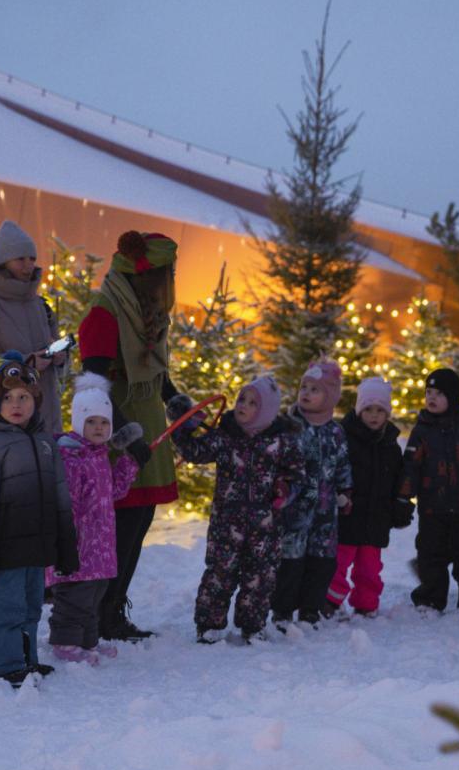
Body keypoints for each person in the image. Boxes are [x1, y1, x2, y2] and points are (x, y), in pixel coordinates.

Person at [77, 230, 179, 641]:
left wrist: (177, 399)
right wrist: (125, 435)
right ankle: (100, 612)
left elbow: (157, 371)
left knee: (138, 525)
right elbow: (92, 385)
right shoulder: (106, 314)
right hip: (119, 437)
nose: (171, 279)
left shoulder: (146, 311)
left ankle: (114, 608)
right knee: (118, 530)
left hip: (148, 425)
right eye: (167, 272)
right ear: (148, 272)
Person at [0, 351, 78, 686]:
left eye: (24, 397)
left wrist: (65, 548)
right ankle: (4, 664)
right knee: (7, 609)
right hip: (5, 549)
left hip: (37, 546)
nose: (17, 404)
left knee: (30, 607)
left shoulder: (45, 443)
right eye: (9, 397)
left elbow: (60, 497)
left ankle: (26, 659)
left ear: (35, 400)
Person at [168, 377, 307, 642]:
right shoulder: (225, 436)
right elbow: (195, 452)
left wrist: (285, 490)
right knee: (219, 573)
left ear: (267, 410)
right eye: (242, 398)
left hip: (266, 527)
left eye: (253, 403)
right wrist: (181, 427)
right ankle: (209, 625)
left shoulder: (282, 442)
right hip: (226, 524)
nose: (243, 405)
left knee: (260, 577)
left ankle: (252, 626)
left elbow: (298, 474)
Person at [46, 373, 146, 664]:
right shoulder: (71, 457)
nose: (99, 428)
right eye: (91, 422)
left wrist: (130, 463)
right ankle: (65, 643)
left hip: (99, 547)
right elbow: (68, 504)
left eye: (104, 422)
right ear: (78, 422)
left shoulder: (99, 455)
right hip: (78, 549)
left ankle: (87, 642)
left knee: (93, 599)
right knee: (73, 599)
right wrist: (69, 541)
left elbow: (112, 491)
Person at [0, 220, 70, 454]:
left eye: (32, 259)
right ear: (3, 260)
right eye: (21, 259)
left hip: (42, 418)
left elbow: (58, 355)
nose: (28, 265)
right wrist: (26, 364)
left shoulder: (41, 306)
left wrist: (60, 357)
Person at [398, 368, 459, 615]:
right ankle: (430, 598)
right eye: (428, 392)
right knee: (431, 556)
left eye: (439, 393)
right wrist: (403, 497)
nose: (431, 398)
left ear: (452, 397)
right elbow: (410, 466)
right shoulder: (422, 431)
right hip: (432, 508)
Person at [272, 360, 353, 627]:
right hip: (294, 509)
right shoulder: (289, 426)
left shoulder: (335, 431)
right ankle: (283, 610)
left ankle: (310, 608)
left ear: (329, 396)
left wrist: (345, 491)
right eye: (303, 387)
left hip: (325, 510)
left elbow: (342, 463)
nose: (305, 393)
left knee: (322, 562)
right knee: (290, 561)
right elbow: (276, 460)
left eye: (314, 389)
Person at [326, 377, 412, 617]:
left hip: (376, 517)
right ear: (358, 410)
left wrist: (400, 504)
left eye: (380, 410)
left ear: (387, 413)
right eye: (368, 409)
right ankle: (331, 601)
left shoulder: (390, 445)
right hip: (348, 515)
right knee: (339, 563)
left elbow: (398, 478)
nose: (374, 415)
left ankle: (366, 604)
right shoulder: (344, 437)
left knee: (370, 568)